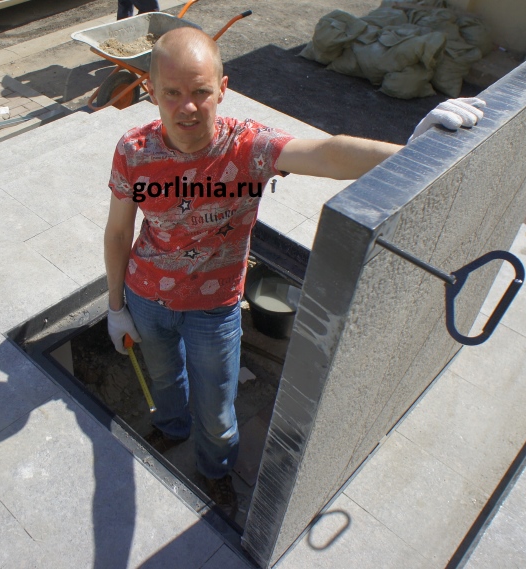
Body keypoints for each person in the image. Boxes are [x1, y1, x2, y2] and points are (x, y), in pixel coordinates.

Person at [104, 26, 485, 517]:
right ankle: (172, 427)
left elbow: (327, 153)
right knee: (164, 377)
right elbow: (119, 233)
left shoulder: (246, 146)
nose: (188, 107)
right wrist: (116, 306)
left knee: (217, 412)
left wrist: (412, 155)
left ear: (222, 89)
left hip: (213, 309)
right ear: (151, 91)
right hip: (147, 298)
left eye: (200, 91)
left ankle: (215, 470)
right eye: (172, 93)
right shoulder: (134, 151)